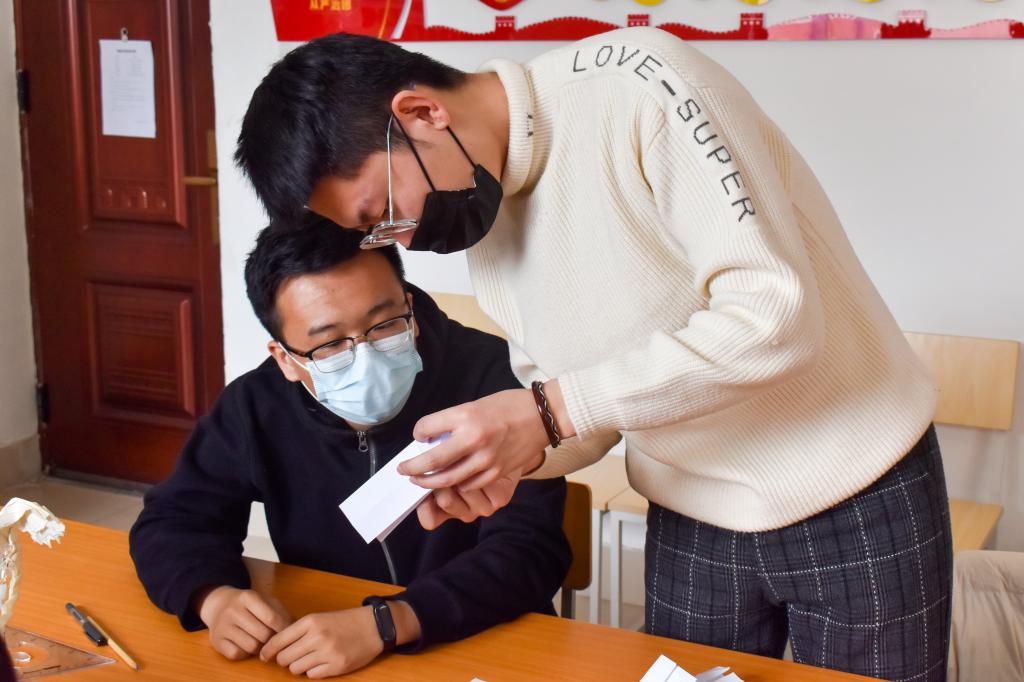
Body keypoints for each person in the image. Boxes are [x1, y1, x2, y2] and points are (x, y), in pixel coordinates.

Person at [234, 28, 952, 681]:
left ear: (421, 114)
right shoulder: (489, 213)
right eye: (378, 234)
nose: (406, 241)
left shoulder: (640, 86)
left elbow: (774, 316)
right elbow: (592, 405)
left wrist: (546, 413)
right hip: (688, 507)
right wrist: (510, 459)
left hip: (852, 484)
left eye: (385, 212)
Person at [129, 215, 570, 678]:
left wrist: (389, 622)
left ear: (409, 307)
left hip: (489, 643)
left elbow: (530, 550)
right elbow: (174, 520)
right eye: (330, 345)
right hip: (328, 649)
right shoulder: (255, 406)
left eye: (385, 324)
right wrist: (213, 597)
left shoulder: (496, 381)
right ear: (285, 358)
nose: (366, 354)